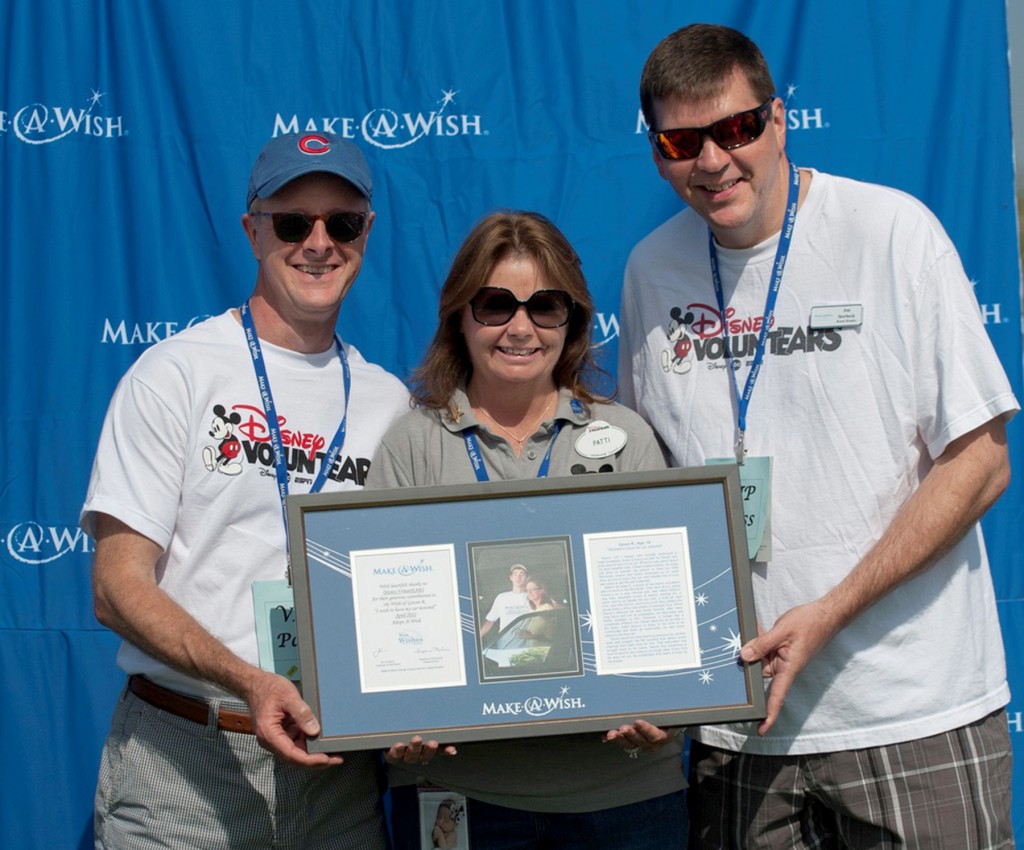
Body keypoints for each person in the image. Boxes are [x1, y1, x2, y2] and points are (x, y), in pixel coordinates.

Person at [619, 23, 1017, 849]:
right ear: (658, 153)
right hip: (739, 731)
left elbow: (979, 463)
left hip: (909, 708)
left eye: (736, 129)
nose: (714, 160)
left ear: (778, 118)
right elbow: (649, 496)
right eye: (682, 141)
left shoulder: (891, 232)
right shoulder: (651, 272)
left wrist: (831, 611)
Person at [80, 132, 411, 849]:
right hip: (187, 760)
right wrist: (249, 682)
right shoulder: (176, 373)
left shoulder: (390, 404)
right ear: (252, 228)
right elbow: (114, 586)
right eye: (293, 222)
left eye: (342, 223)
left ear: (368, 232)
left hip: (336, 777)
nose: (318, 243)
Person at [367, 211, 688, 848]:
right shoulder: (411, 444)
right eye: (494, 305)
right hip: (461, 795)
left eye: (545, 306)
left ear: (572, 321)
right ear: (460, 315)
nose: (520, 328)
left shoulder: (623, 438)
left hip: (622, 793)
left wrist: (669, 705)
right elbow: (383, 628)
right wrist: (389, 718)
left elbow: (664, 617)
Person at [478, 562, 531, 639]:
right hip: (505, 643)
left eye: (522, 574)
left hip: (528, 643)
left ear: (527, 577)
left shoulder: (533, 596)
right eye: (515, 574)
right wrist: (477, 637)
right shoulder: (501, 598)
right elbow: (490, 621)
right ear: (511, 578)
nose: (518, 578)